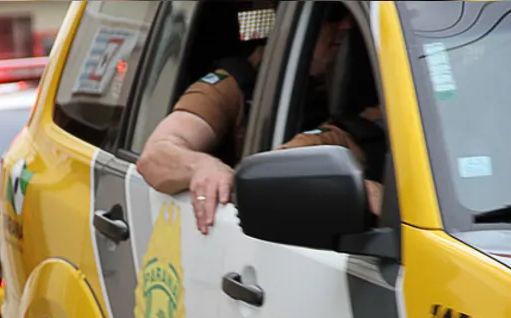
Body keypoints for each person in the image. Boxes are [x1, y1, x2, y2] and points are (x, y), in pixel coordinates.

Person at [136, 7, 385, 235]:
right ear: (285, 23)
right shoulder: (229, 88)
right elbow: (155, 155)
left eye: (348, 17)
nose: (346, 25)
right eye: (332, 13)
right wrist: (201, 167)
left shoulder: (358, 97)